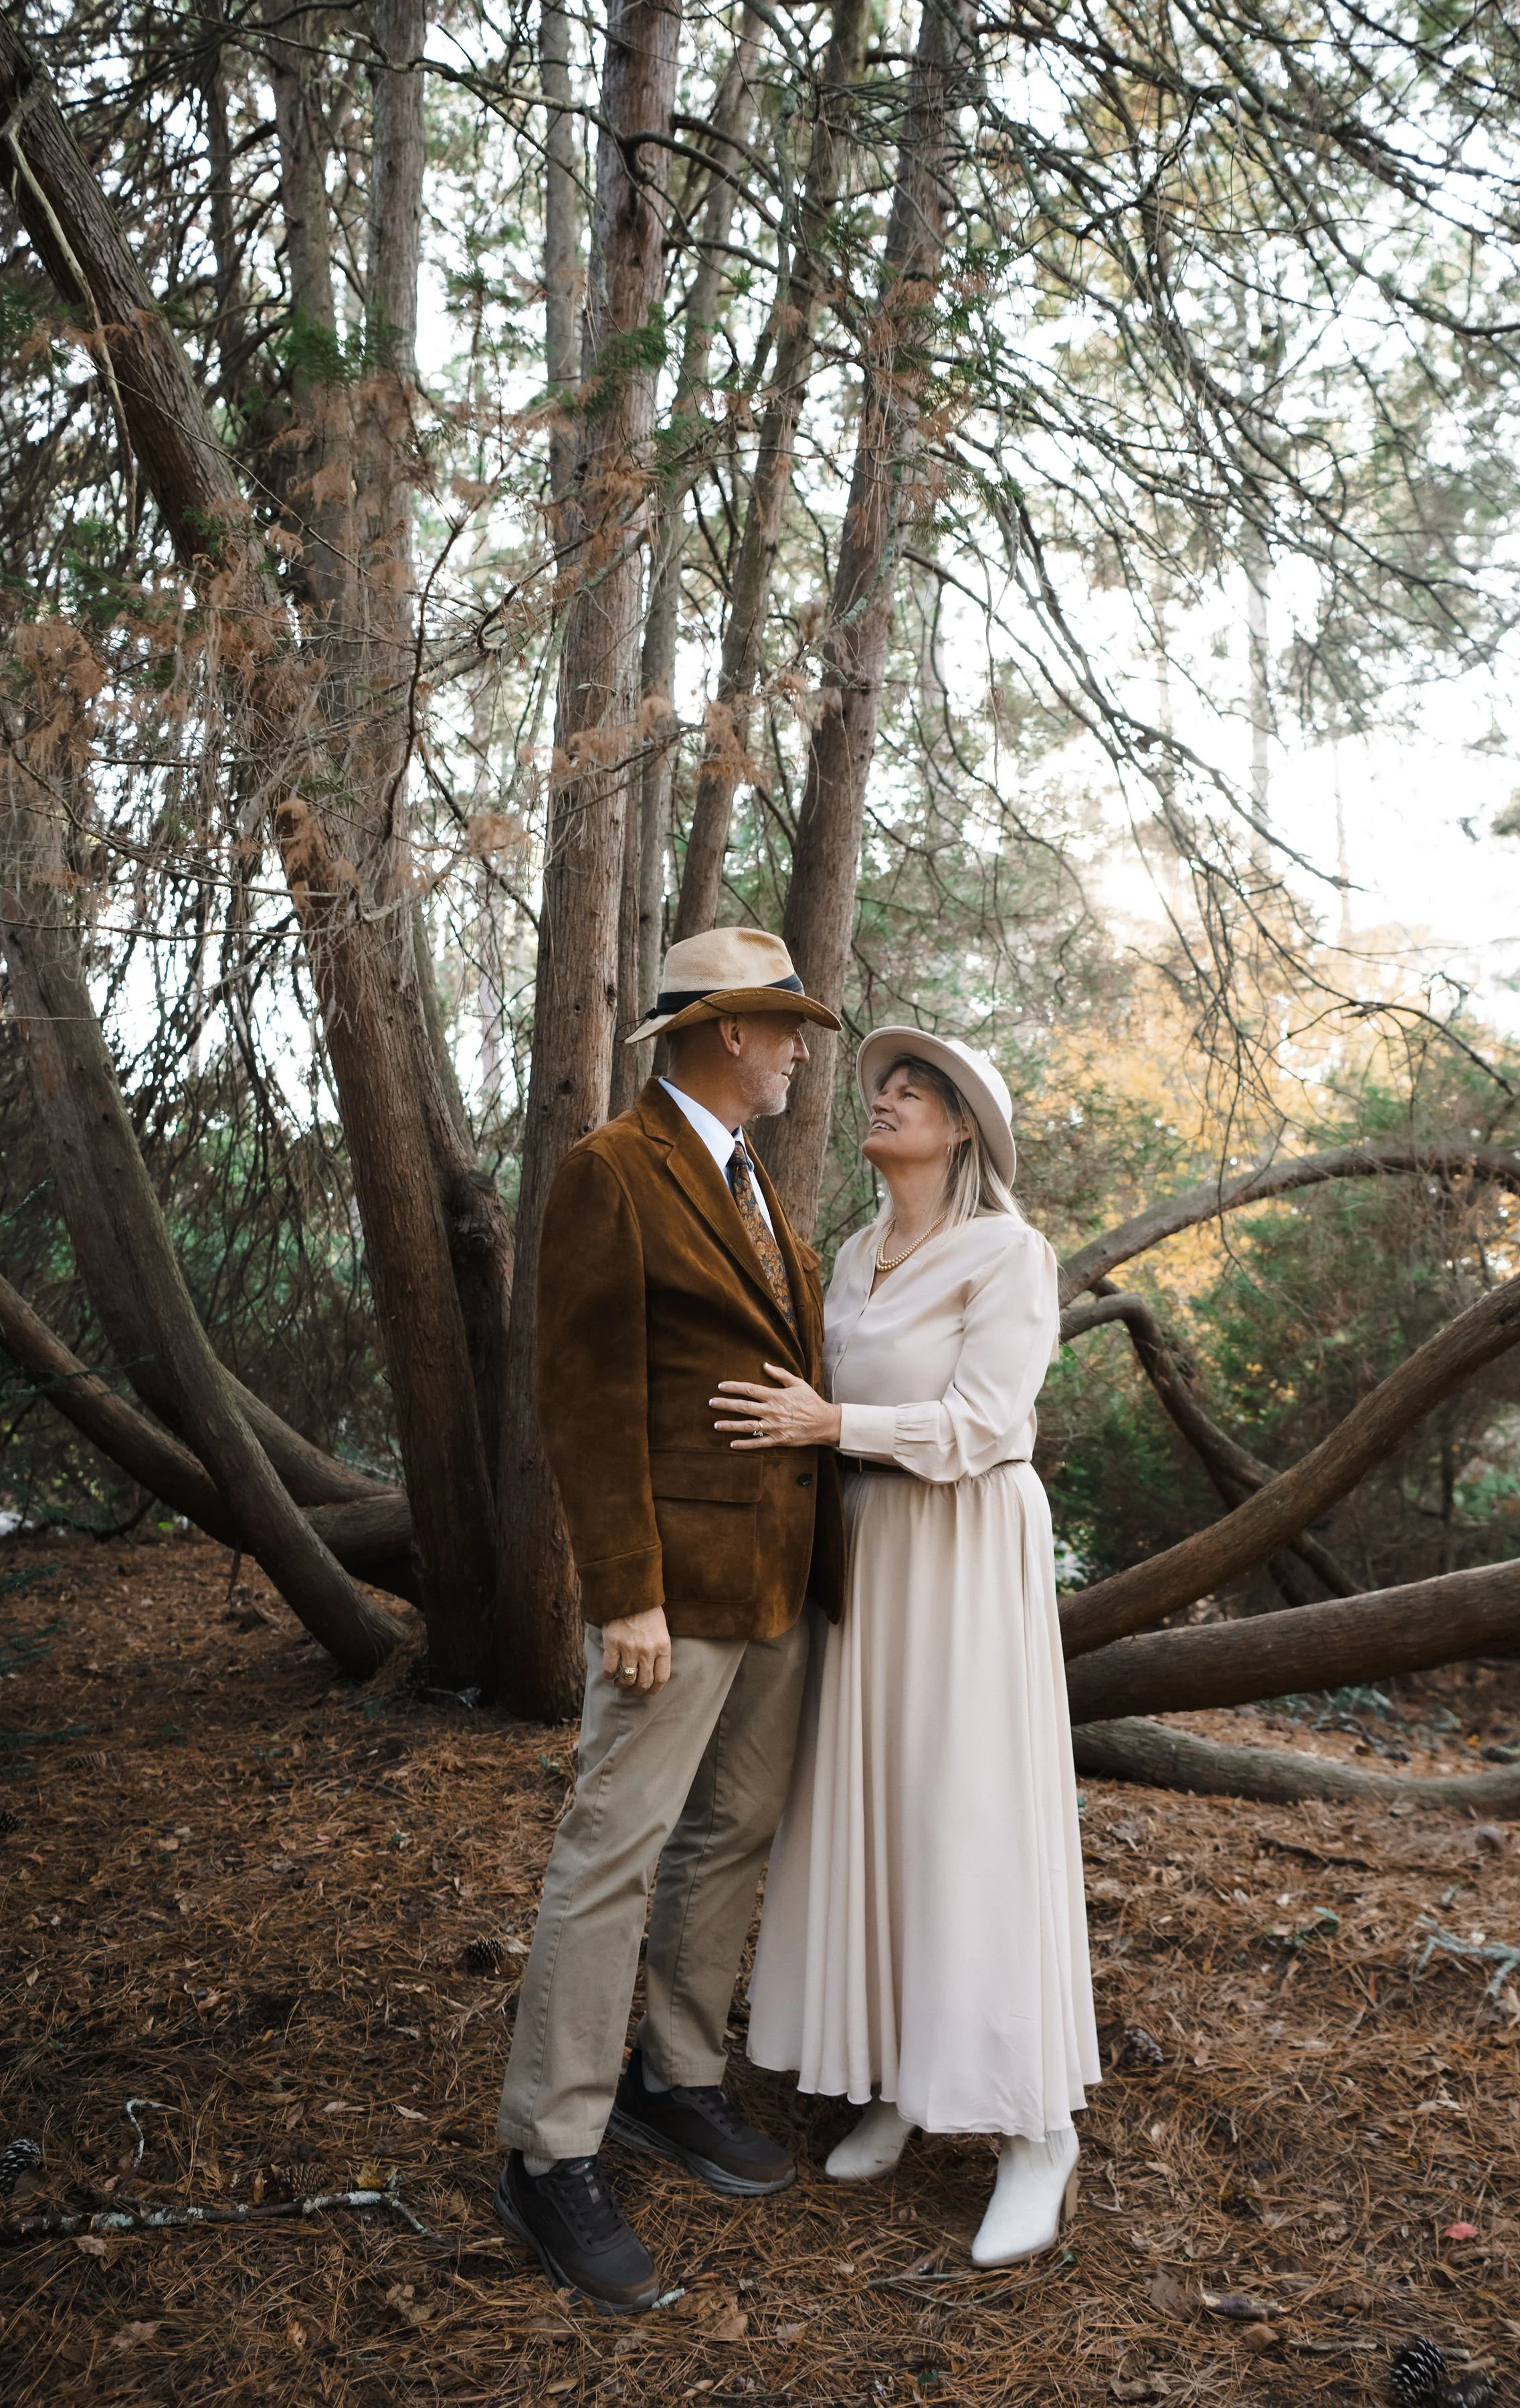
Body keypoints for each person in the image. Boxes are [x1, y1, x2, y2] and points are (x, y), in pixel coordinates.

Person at [493, 927, 846, 2314]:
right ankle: (549, 2148)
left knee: (731, 1834)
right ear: (727, 1034)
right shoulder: (611, 1173)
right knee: (612, 1853)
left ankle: (675, 2078)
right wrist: (625, 1589)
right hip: (672, 1593)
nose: (804, 1054)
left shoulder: (750, 1180)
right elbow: (585, 1402)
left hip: (776, 1585)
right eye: (787, 1030)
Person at [721, 1028, 1099, 2267]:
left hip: (966, 1544)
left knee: (968, 1816)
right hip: (873, 1548)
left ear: (965, 1131)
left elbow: (990, 1422)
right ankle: (899, 2077)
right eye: (882, 1087)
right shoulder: (850, 1252)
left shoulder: (1011, 1252)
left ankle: (1034, 2134)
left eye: (914, 1090)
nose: (884, 1100)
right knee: (874, 1809)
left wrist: (837, 1421)